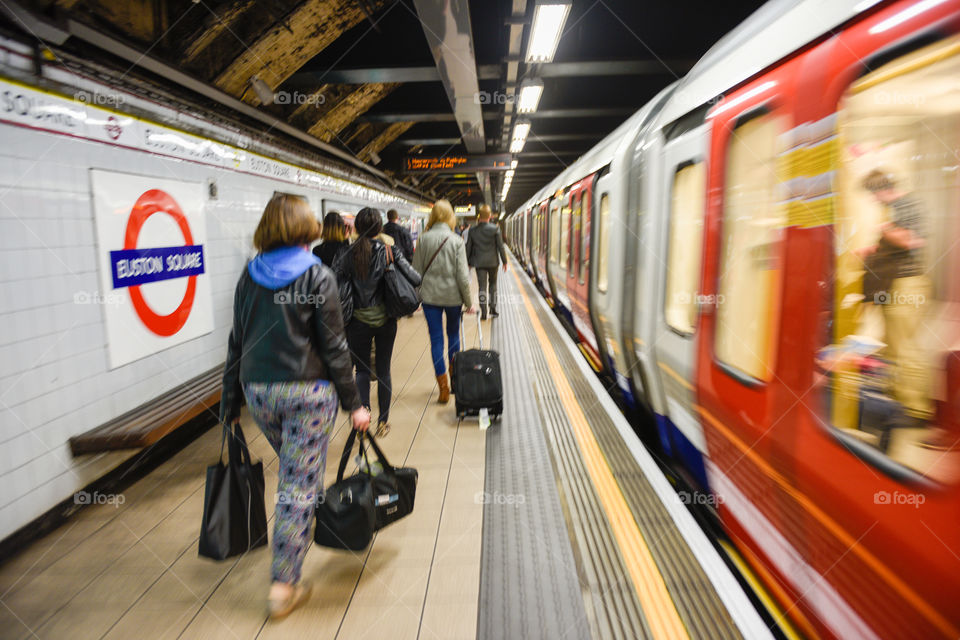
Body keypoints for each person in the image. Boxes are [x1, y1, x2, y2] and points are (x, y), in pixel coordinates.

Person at [220, 193, 370, 620]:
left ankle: (303, 523)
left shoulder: (249, 276)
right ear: (306, 228)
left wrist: (229, 402)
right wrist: (355, 405)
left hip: (259, 393)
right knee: (296, 487)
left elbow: (236, 343)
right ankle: (284, 585)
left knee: (297, 472)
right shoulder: (316, 276)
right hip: (307, 394)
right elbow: (335, 347)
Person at [334, 207, 421, 436]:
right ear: (379, 228)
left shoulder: (346, 252)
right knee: (383, 370)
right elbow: (415, 278)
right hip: (385, 321)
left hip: (357, 322)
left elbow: (333, 282)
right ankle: (383, 421)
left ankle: (365, 414)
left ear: (357, 227)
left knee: (361, 371)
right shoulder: (389, 250)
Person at [859, 169, 932, 426]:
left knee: (904, 346)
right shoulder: (894, 207)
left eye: (873, 194)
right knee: (890, 344)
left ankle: (917, 411)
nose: (874, 200)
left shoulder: (905, 203)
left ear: (880, 189)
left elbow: (914, 241)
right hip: (893, 286)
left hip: (907, 285)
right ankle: (897, 404)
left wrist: (886, 230)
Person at [413, 200, 476, 403]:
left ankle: (442, 388)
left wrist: (416, 297)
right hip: (452, 299)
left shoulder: (423, 239)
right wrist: (469, 302)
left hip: (430, 299)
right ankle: (455, 382)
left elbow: (415, 273)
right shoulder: (456, 240)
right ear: (450, 217)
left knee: (436, 341)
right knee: (453, 337)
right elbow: (462, 277)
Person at [465, 204, 508, 320]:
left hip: (479, 263)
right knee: (493, 285)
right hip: (493, 262)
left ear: (479, 216)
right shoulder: (495, 229)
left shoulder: (473, 230)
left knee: (482, 287)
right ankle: (493, 309)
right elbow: (500, 246)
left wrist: (468, 262)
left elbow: (468, 247)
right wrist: (505, 261)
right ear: (489, 216)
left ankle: (484, 312)